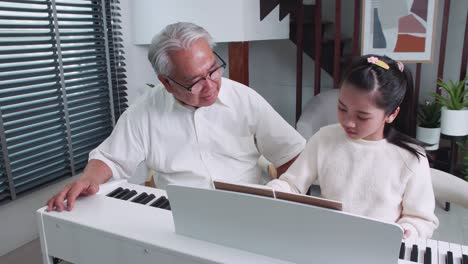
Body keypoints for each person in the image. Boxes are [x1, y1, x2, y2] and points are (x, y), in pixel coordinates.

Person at [46, 22, 305, 212]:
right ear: (166, 83)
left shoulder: (244, 98)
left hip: (246, 207)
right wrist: (87, 180)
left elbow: (291, 153)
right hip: (175, 212)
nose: (211, 85)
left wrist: (284, 201)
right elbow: (110, 158)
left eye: (213, 70)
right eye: (194, 81)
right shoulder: (144, 110)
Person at [267, 55, 439, 239]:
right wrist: (272, 190)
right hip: (328, 239)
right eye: (342, 108)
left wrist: (408, 230)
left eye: (362, 117)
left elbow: (421, 219)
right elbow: (292, 184)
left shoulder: (410, 157)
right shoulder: (325, 138)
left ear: (391, 114)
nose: (348, 122)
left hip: (379, 247)